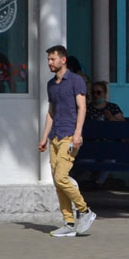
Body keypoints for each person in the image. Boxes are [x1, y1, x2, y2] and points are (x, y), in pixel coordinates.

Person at [37, 45, 96, 237]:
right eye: (48, 59)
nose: (49, 63)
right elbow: (51, 112)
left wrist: (78, 133)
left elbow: (82, 108)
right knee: (57, 181)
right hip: (55, 136)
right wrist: (45, 137)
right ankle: (69, 223)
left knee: (62, 177)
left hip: (69, 135)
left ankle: (85, 211)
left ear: (63, 60)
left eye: (52, 59)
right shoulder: (51, 84)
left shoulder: (76, 81)